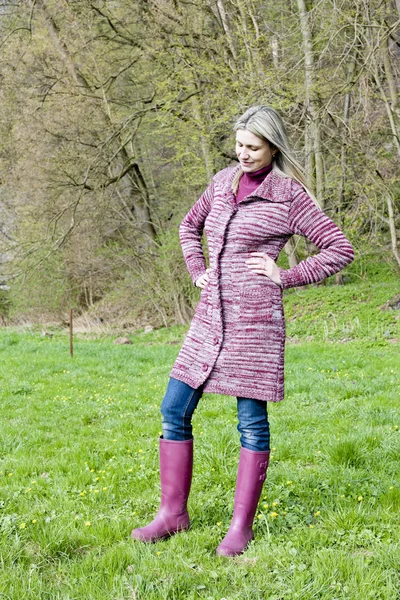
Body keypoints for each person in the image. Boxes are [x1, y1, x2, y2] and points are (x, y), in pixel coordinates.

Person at [131, 105, 354, 557]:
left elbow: (339, 248)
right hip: (209, 319)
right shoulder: (221, 182)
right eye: (239, 145)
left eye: (253, 147)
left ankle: (241, 527)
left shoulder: (290, 196)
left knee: (251, 423)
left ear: (273, 146)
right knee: (173, 408)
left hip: (254, 326)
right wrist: (198, 270)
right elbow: (188, 225)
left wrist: (284, 275)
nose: (244, 154)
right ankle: (172, 514)